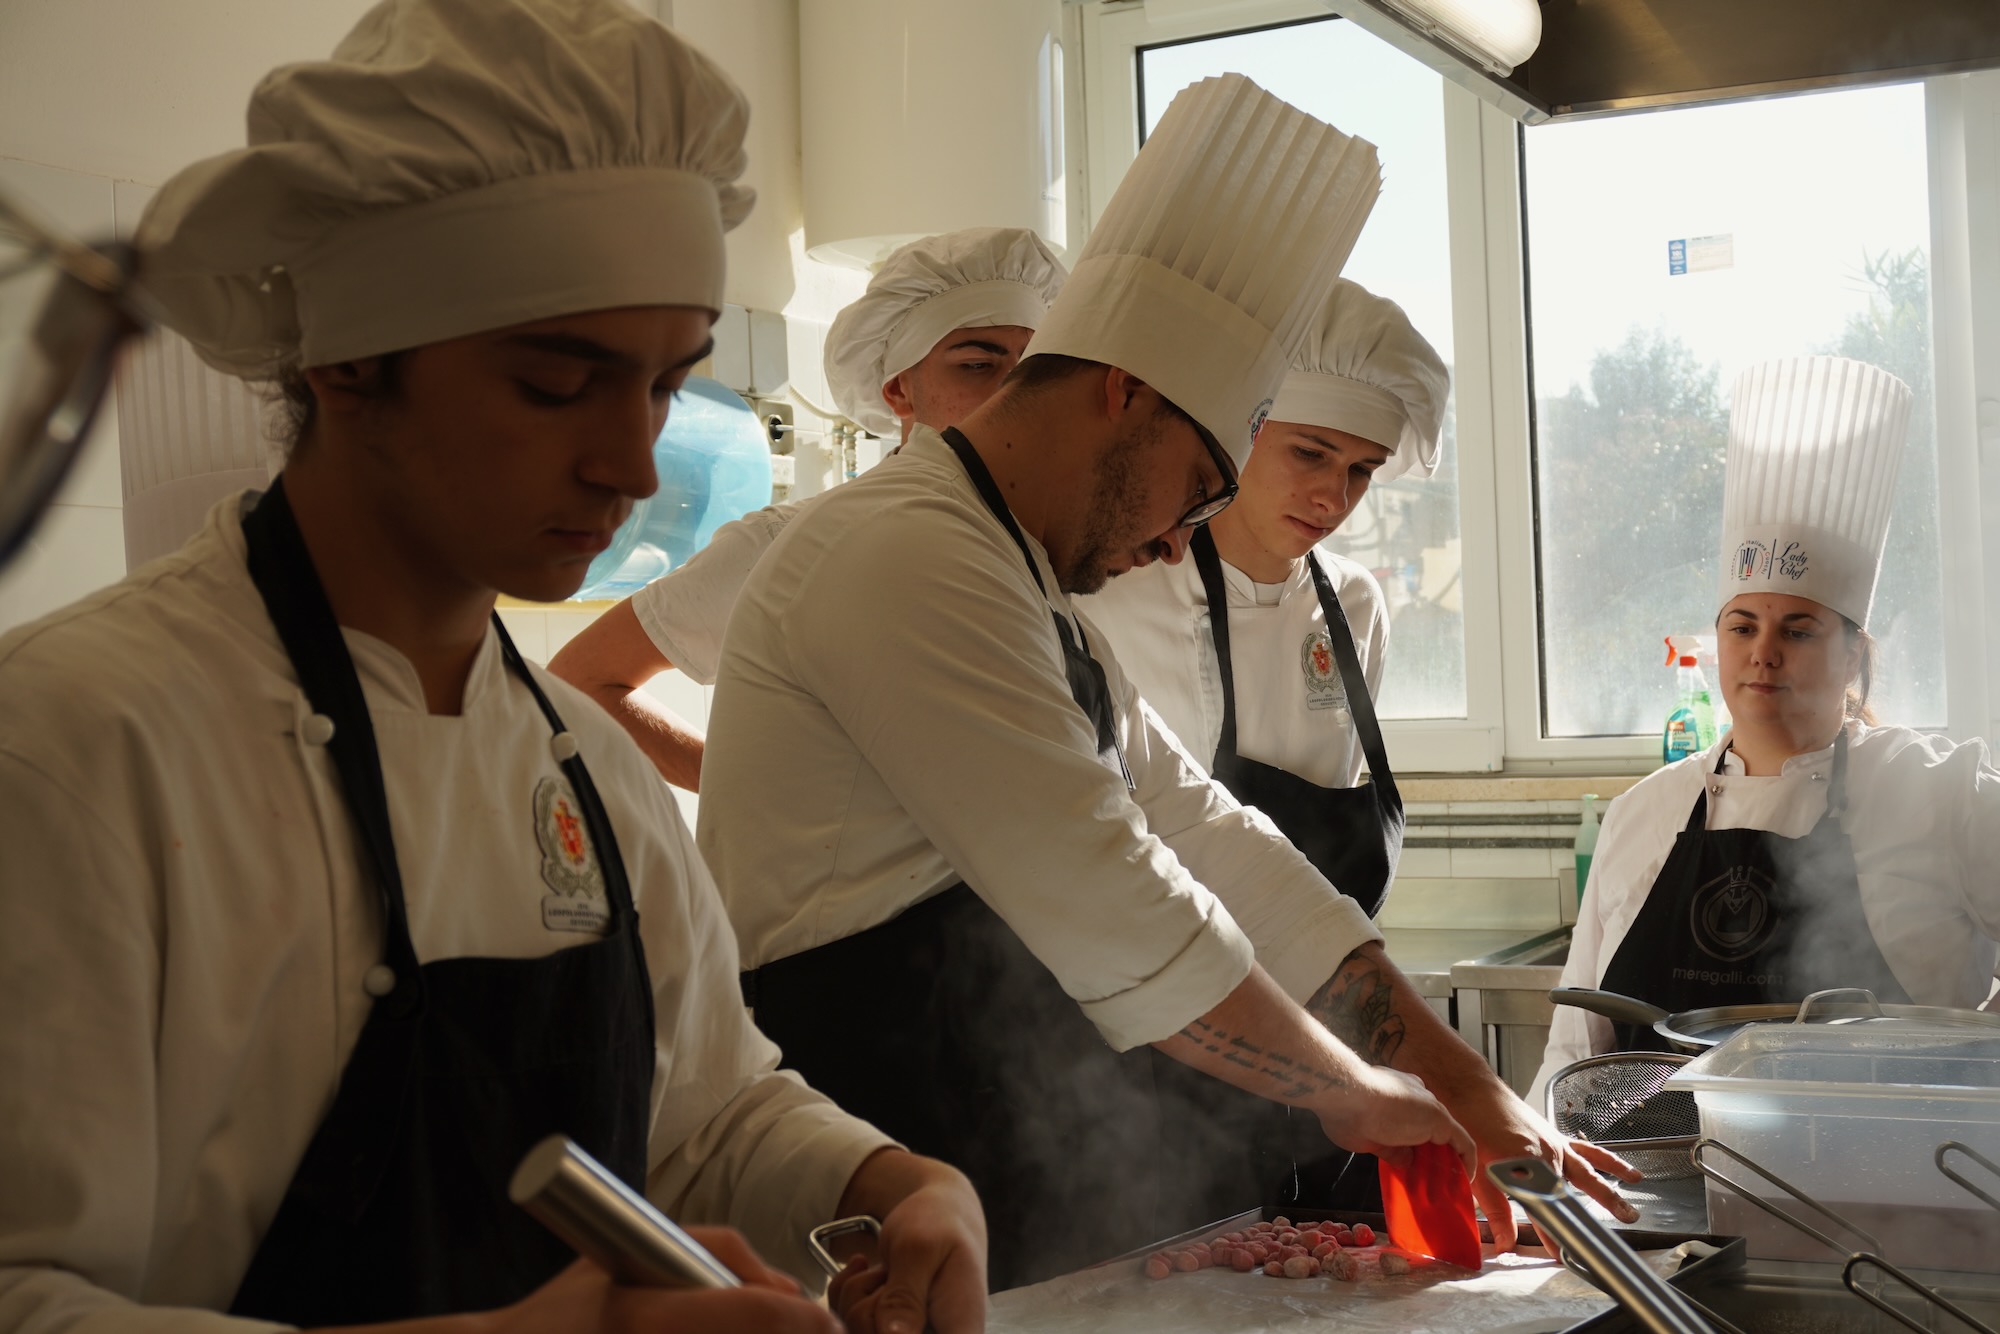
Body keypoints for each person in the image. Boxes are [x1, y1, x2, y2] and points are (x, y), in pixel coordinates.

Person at [0, 4, 984, 1333]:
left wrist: (896, 1180)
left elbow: (711, 1109)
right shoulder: (74, 745)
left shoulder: (581, 760)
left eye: (661, 387)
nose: (632, 466)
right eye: (555, 383)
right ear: (347, 360)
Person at [699, 73, 1635, 1290]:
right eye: (1197, 480)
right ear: (1122, 393)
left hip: (997, 1174)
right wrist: (1356, 1090)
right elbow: (1114, 894)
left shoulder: (1032, 592)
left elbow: (1211, 837)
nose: (1176, 538)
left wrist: (1472, 1092)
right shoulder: (906, 552)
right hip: (868, 1178)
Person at [1534, 354, 2000, 1100]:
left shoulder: (1941, 793)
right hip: (1666, 1198)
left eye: (1800, 630)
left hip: (1893, 1200)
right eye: (1742, 626)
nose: (1763, 655)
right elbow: (1575, 1057)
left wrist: (1980, 1071)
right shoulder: (1643, 815)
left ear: (1853, 653)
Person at [1080, 277, 1447, 1212]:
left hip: (1335, 1048)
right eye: (1311, 451)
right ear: (1242, 434)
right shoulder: (1119, 593)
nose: (1334, 493)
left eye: (1362, 469)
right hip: (1172, 1053)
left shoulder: (1355, 605)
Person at [548, 228, 1066, 789]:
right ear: (898, 391)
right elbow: (581, 682)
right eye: (976, 365)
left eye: (1031, 369)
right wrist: (762, 794)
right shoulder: (793, 545)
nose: (1015, 396)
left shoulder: (1059, 552)